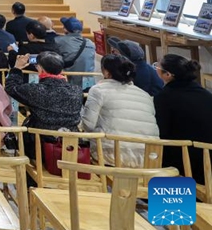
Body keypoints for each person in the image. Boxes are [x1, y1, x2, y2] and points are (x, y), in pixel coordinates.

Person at [80, 54, 159, 167]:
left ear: (106, 73)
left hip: (111, 154)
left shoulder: (98, 90)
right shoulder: (144, 94)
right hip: (147, 157)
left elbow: (88, 125)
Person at [5, 51, 83, 163]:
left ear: (40, 69)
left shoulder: (37, 90)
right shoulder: (76, 91)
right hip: (71, 147)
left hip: (39, 148)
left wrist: (17, 68)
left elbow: (11, 87)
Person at [153, 54, 212, 185]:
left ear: (167, 74)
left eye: (158, 66)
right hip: (208, 156)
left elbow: (162, 131)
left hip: (184, 159)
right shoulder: (205, 94)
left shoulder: (163, 98)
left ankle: (167, 204)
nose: (156, 67)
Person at [54, 16, 96, 89]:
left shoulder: (59, 41)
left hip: (71, 84)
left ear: (65, 29)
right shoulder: (91, 43)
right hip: (89, 84)